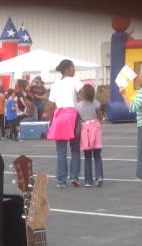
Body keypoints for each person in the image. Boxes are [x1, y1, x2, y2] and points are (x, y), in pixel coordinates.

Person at [47, 59, 84, 188]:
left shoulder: (55, 85)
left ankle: (61, 181)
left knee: (61, 151)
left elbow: (51, 106)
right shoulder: (74, 81)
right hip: (72, 116)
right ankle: (74, 177)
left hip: (59, 117)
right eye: (73, 68)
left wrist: (51, 122)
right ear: (67, 69)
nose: (74, 70)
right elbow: (85, 92)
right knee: (75, 149)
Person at [76, 83, 103, 187]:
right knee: (97, 155)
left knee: (87, 156)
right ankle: (99, 176)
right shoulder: (96, 103)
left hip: (85, 129)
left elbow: (78, 117)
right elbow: (100, 116)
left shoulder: (78, 106)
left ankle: (88, 180)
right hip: (95, 128)